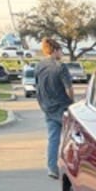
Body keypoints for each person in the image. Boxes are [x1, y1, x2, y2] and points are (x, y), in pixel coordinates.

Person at [35, 37, 73, 180]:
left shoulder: (39, 66)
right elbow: (68, 88)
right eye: (61, 50)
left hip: (48, 107)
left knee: (53, 138)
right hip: (63, 106)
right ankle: (68, 166)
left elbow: (37, 87)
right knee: (70, 138)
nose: (62, 54)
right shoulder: (60, 67)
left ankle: (52, 168)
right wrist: (72, 101)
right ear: (55, 50)